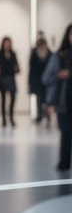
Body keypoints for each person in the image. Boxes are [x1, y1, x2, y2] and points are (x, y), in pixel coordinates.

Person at [42, 23, 71, 172]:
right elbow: (46, 78)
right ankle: (64, 162)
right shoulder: (59, 56)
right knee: (65, 132)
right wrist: (58, 75)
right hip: (64, 101)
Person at [0, 36, 19, 127]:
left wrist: (16, 69)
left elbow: (16, 65)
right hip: (2, 78)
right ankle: (4, 119)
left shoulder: (13, 54)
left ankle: (11, 117)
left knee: (13, 98)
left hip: (10, 78)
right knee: (3, 99)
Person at [28, 34, 52, 127]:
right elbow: (31, 67)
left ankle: (47, 115)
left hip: (46, 80)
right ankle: (39, 115)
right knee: (39, 99)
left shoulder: (49, 52)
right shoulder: (34, 52)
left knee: (47, 98)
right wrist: (30, 81)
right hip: (37, 79)